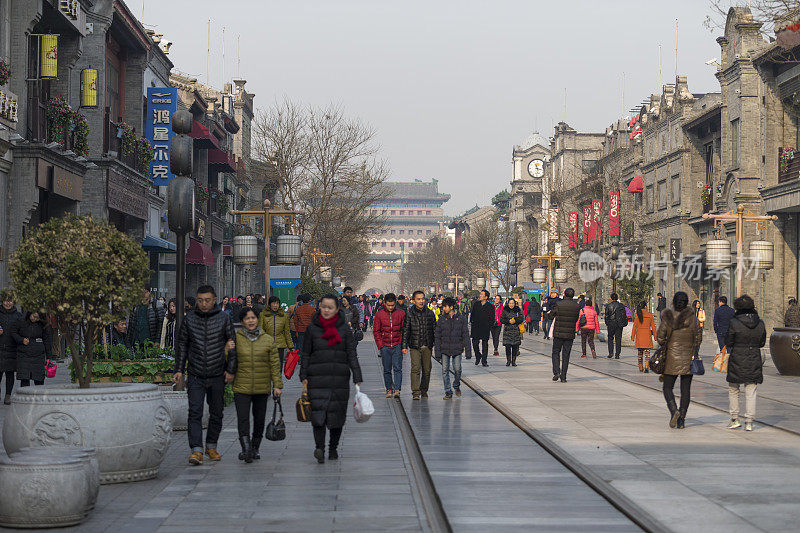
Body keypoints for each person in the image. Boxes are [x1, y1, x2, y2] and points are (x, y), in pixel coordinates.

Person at [173, 285, 236, 465]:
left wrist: (230, 370)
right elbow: (182, 345)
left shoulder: (224, 319)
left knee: (216, 412)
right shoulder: (189, 319)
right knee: (194, 411)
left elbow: (232, 345)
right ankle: (196, 450)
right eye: (200, 300)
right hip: (195, 373)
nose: (203, 304)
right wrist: (178, 369)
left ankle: (211, 445)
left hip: (217, 373)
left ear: (214, 300)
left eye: (207, 300)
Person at [300, 294, 363, 463]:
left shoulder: (344, 329)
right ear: (319, 307)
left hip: (339, 379)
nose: (326, 310)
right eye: (323, 307)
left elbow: (351, 353)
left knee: (337, 416)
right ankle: (319, 447)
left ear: (337, 309)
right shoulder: (312, 329)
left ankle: (333, 448)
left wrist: (357, 374)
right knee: (318, 416)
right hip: (317, 378)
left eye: (330, 307)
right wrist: (303, 375)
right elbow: (305, 353)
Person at [230, 307, 282, 463]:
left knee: (259, 419)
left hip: (262, 387)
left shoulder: (267, 339)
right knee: (243, 419)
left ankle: (255, 448)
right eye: (247, 318)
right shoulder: (236, 339)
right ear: (242, 322)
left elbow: (274, 364)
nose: (251, 321)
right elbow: (229, 360)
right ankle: (246, 449)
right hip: (241, 386)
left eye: (253, 318)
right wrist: (226, 350)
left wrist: (277, 385)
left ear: (257, 320)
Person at [657, 291, 701, 430]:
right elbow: (698, 337)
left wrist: (666, 343)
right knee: (685, 390)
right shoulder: (693, 318)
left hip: (671, 357)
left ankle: (673, 410)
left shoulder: (668, 316)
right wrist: (693, 347)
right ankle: (681, 419)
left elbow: (660, 337)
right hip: (688, 357)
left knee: (667, 387)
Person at [724, 294, 766, 432]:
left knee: (734, 388)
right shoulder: (760, 323)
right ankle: (749, 421)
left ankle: (735, 419)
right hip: (754, 357)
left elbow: (728, 341)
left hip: (737, 358)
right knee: (751, 389)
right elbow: (762, 342)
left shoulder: (734, 322)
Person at [402, 290, 436, 400]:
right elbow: (406, 330)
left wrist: (435, 343)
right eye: (418, 299)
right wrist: (404, 345)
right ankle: (415, 392)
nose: (421, 301)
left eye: (422, 299)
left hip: (427, 345)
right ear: (413, 300)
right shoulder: (410, 314)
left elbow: (434, 329)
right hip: (414, 345)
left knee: (427, 370)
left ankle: (424, 389)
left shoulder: (430, 313)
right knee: (415, 368)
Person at [435, 297, 471, 399]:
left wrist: (468, 351)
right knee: (444, 370)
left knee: (457, 369)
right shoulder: (441, 320)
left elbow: (465, 335)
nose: (444, 309)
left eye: (445, 306)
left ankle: (456, 385)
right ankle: (448, 391)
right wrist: (437, 352)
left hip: (457, 348)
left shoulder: (461, 319)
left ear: (451, 307)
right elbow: (437, 337)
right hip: (444, 349)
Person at [373, 293, 405, 398]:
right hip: (385, 345)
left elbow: (404, 330)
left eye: (392, 305)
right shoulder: (379, 314)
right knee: (387, 369)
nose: (391, 307)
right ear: (385, 304)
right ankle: (389, 389)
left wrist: (402, 344)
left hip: (397, 345)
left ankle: (397, 389)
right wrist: (380, 345)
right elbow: (376, 331)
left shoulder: (401, 313)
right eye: (388, 305)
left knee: (397, 368)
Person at [549, 288, 579, 382]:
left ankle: (556, 371)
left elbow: (551, 315)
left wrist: (549, 315)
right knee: (566, 355)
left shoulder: (559, 304)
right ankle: (564, 377)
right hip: (569, 334)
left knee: (556, 352)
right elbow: (576, 318)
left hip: (558, 333)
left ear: (564, 295)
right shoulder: (576, 306)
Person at [13, 311, 50, 387]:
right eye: (33, 316)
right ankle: (25, 398)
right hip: (24, 354)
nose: (34, 319)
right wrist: (21, 340)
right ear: (30, 314)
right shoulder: (21, 321)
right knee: (24, 379)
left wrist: (49, 357)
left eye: (37, 317)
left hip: (38, 355)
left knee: (39, 380)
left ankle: (39, 398)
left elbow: (47, 340)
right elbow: (13, 332)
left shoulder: (42, 325)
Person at [258, 296, 294, 366]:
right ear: (269, 304)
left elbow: (287, 332)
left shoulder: (284, 316)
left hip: (280, 346)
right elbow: (260, 331)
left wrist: (291, 346)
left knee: (278, 367)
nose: (275, 305)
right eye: (273, 303)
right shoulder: (263, 315)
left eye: (277, 303)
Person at [0, 292, 22, 404]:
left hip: (12, 348)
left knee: (9, 374)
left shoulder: (18, 315)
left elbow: (22, 330)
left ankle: (8, 395)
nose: (8, 303)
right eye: (6, 300)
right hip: (0, 348)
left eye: (10, 301)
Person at [470, 290, 494, 366]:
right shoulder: (476, 304)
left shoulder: (490, 306)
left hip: (485, 328)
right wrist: (472, 322)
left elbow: (492, 318)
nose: (480, 295)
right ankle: (478, 355)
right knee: (475, 343)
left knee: (485, 345)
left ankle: (484, 360)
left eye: (482, 294)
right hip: (476, 327)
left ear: (486, 297)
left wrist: (489, 326)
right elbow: (472, 315)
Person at [631, 301, 657, 372]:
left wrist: (632, 336)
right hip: (647, 335)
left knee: (640, 353)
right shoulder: (650, 315)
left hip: (639, 335)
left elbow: (634, 327)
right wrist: (655, 336)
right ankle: (646, 366)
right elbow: (653, 327)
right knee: (647, 352)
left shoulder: (637, 315)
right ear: (645, 306)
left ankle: (640, 366)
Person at [500, 297, 523, 367]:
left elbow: (521, 318)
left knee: (515, 347)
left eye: (512, 303)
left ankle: (513, 361)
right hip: (507, 331)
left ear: (515, 304)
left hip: (516, 331)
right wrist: (508, 321)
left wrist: (515, 320)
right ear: (508, 303)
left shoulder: (518, 310)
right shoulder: (505, 310)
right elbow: (502, 320)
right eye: (510, 303)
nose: (511, 305)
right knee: (507, 346)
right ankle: (508, 360)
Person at [604, 293, 627, 359]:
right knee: (618, 339)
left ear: (611, 298)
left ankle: (610, 353)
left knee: (610, 338)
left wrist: (607, 323)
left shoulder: (608, 306)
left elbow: (606, 315)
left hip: (611, 324)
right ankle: (617, 354)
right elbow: (624, 315)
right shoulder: (621, 305)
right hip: (619, 324)